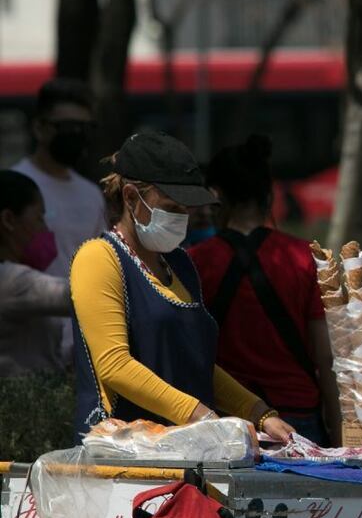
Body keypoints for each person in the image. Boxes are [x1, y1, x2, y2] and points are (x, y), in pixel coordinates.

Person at [69, 130, 294, 442]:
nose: (183, 217)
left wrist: (258, 412)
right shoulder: (98, 258)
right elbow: (114, 365)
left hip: (184, 448)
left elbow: (195, 365)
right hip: (122, 454)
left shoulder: (181, 264)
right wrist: (199, 414)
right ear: (132, 197)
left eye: (186, 210)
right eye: (172, 208)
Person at [188, 134, 341, 446]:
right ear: (269, 196)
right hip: (298, 416)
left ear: (217, 196)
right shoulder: (304, 258)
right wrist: (338, 431)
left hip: (227, 419)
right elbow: (326, 357)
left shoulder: (195, 263)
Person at [11, 78, 107, 364]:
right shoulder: (15, 187)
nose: (77, 135)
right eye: (69, 128)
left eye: (85, 129)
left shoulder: (91, 195)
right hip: (28, 346)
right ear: (41, 128)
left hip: (82, 346)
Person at [0, 170, 72, 376]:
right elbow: (79, 296)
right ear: (8, 220)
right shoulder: (11, 281)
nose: (46, 229)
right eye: (40, 217)